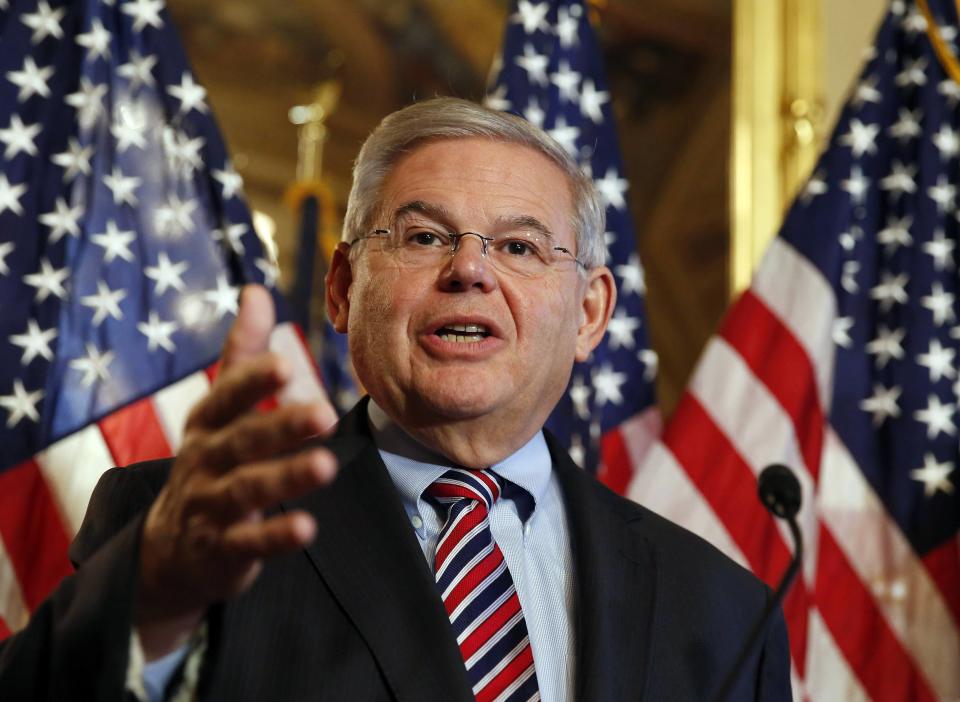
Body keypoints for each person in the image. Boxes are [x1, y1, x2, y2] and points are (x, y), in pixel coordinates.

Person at [0, 98, 791, 701]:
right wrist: (151, 602)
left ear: (589, 314)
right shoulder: (181, 528)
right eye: (423, 237)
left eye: (517, 246)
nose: (471, 271)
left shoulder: (722, 612)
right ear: (343, 289)